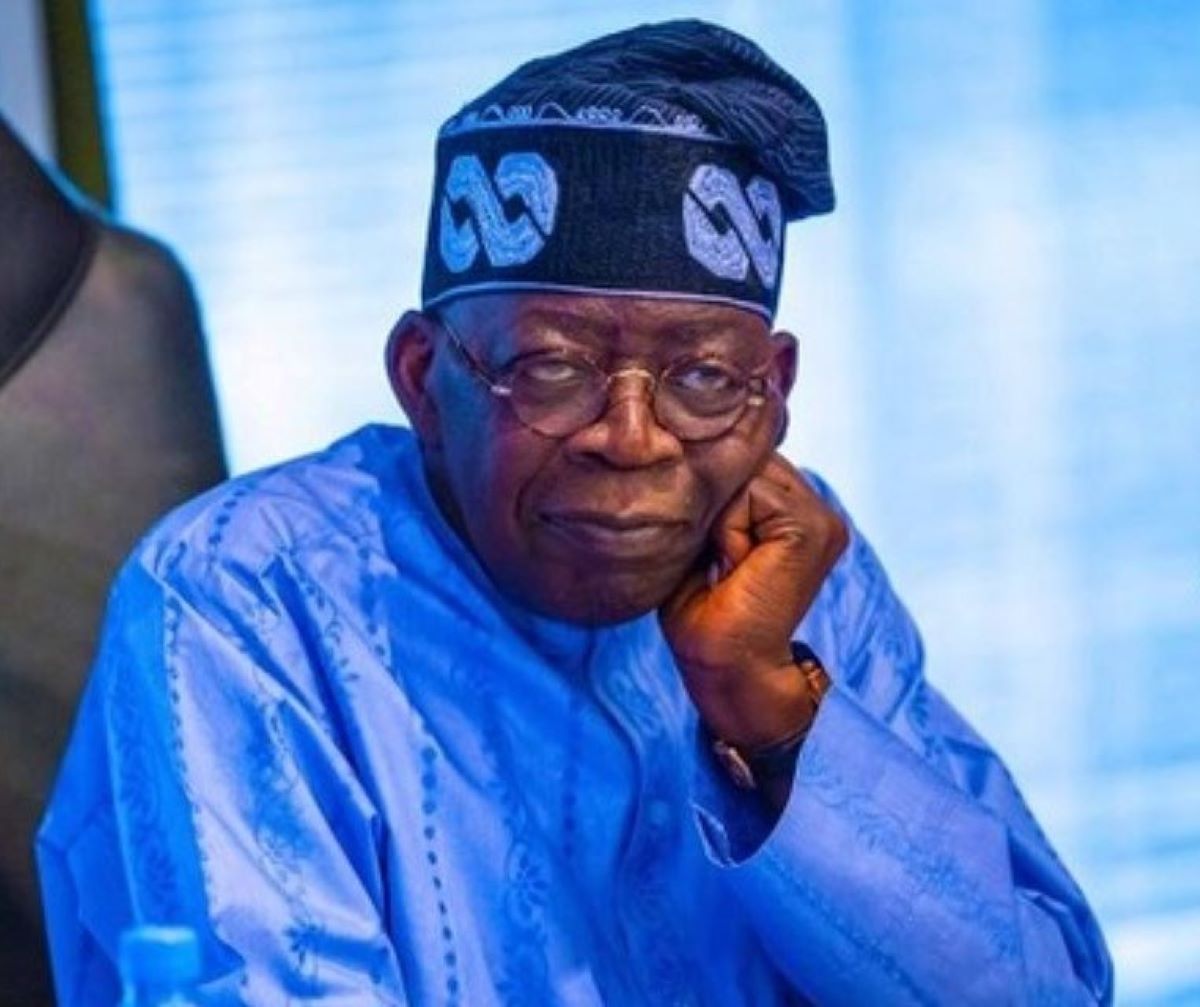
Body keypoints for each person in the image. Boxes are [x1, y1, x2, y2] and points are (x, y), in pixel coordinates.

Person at [37, 20, 1113, 1006]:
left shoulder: (790, 565)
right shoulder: (241, 600)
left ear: (774, 393)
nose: (632, 438)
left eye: (703, 378)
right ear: (423, 378)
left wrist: (775, 716)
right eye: (552, 369)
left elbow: (1050, 992)